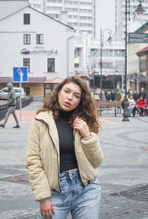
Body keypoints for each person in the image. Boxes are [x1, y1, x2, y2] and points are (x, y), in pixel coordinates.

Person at [26, 76, 104, 219]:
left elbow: (97, 161)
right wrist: (42, 198)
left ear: (81, 101)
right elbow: (33, 161)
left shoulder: (84, 121)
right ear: (58, 93)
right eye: (67, 91)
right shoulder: (41, 121)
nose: (69, 98)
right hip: (55, 193)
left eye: (76, 96)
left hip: (87, 190)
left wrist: (87, 135)